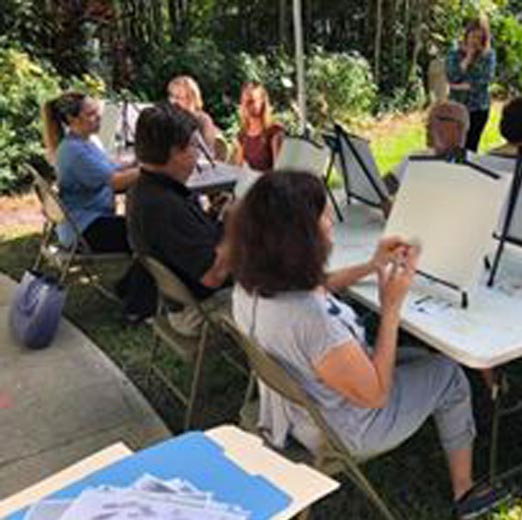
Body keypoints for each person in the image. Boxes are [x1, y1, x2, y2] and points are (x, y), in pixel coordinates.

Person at [229, 171, 509, 519]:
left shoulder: (251, 285)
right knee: (448, 372)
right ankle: (465, 489)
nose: (331, 223)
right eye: (324, 216)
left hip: (293, 410)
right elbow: (376, 394)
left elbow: (319, 286)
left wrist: (371, 266)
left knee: (420, 357)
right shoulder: (314, 321)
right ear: (297, 238)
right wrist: (390, 307)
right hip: (342, 429)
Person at [127, 102, 232, 335]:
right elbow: (213, 277)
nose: (199, 155)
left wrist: (214, 215)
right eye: (195, 146)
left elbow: (186, 239)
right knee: (287, 288)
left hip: (184, 299)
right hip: (199, 311)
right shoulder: (163, 206)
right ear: (176, 153)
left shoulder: (144, 188)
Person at [42, 92, 138, 252]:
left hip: (86, 223)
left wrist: (136, 163)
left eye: (97, 111)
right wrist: (150, 169)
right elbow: (115, 182)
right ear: (73, 119)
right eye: (91, 114)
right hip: (84, 230)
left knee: (148, 228)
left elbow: (108, 168)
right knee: (149, 233)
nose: (99, 116)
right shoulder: (75, 151)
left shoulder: (84, 142)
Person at [386, 101, 469, 189]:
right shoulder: (416, 159)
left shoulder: (475, 170)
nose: (428, 126)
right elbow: (383, 188)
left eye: (438, 119)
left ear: (459, 128)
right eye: (428, 121)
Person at [446, 16, 496, 152]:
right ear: (467, 34)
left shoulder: (489, 55)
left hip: (479, 108)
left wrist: (460, 86)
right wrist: (467, 58)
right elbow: (451, 76)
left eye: (480, 38)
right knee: (453, 148)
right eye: (473, 36)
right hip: (456, 107)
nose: (475, 41)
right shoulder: (455, 53)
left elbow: (484, 80)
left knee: (471, 148)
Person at [234, 82, 284, 171]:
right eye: (244, 102)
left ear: (262, 102)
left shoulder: (274, 132)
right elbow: (238, 170)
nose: (246, 106)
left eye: (251, 101)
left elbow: (279, 171)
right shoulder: (242, 135)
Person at [167, 75, 219, 156]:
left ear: (191, 98)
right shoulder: (168, 118)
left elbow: (208, 152)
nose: (173, 101)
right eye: (171, 96)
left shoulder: (203, 120)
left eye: (178, 97)